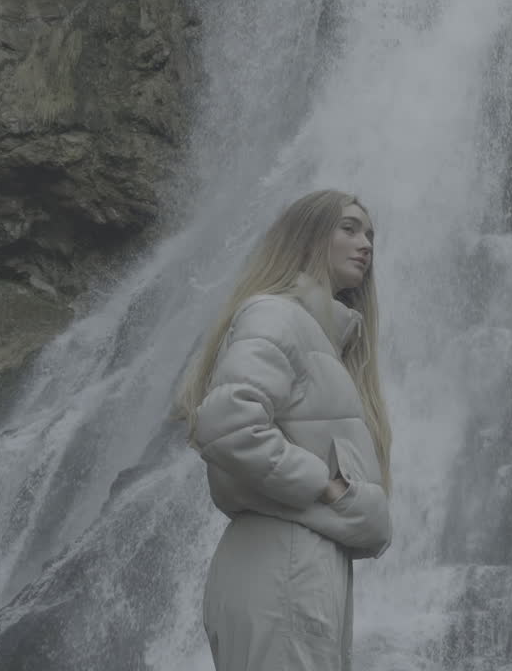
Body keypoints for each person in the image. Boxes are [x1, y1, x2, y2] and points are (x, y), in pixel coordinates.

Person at [175, 189, 394, 671]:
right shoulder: (278, 314)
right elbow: (229, 423)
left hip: (299, 568)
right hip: (285, 568)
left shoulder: (322, 338)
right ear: (307, 236)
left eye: (371, 235)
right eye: (350, 228)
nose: (366, 245)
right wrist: (328, 485)